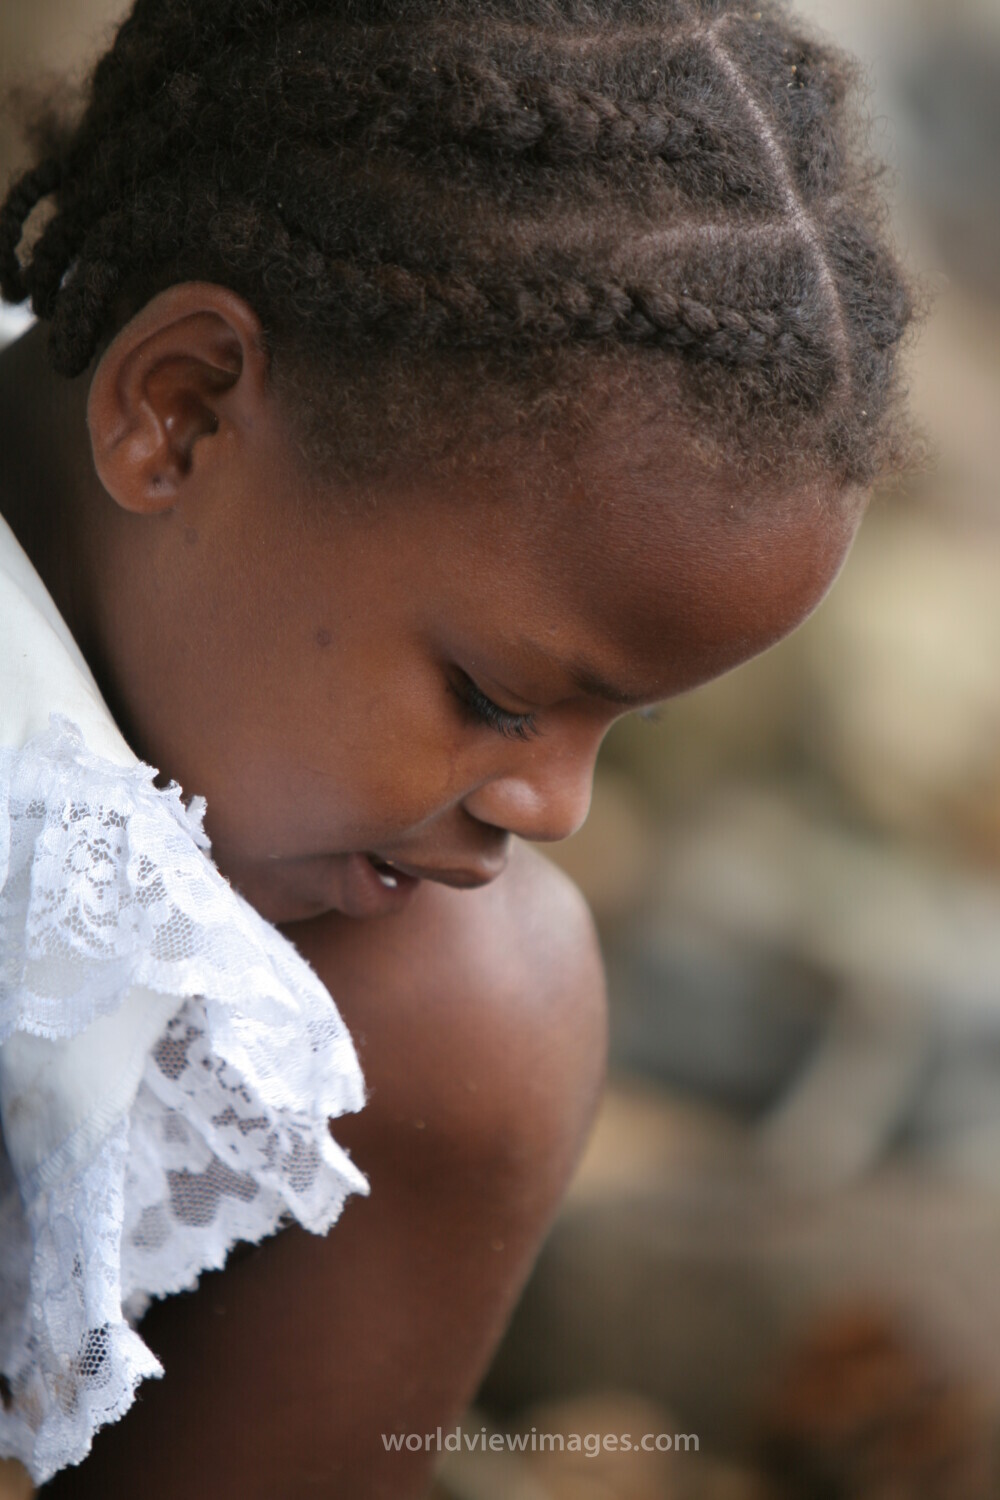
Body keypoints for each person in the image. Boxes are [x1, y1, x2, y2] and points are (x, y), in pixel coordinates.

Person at [0, 0, 916, 1494]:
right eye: (498, 697)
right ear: (182, 413)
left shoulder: (431, 1016)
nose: (555, 808)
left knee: (483, 996)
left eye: (630, 720)